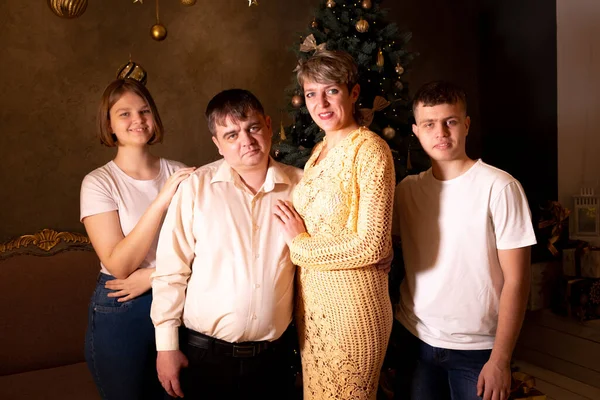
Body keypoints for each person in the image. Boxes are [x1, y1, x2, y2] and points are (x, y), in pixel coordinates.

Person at [151, 89, 303, 400]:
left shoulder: (301, 187)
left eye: (253, 127)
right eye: (231, 134)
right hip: (206, 356)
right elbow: (171, 270)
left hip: (275, 359)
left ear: (269, 125)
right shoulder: (196, 189)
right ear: (217, 144)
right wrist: (166, 347)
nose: (246, 140)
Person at [392, 81, 537, 400]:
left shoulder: (499, 188)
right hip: (415, 342)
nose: (441, 133)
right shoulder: (406, 191)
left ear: (466, 124)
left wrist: (500, 360)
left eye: (451, 121)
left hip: (478, 350)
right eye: (430, 124)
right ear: (416, 131)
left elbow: (518, 281)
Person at [273, 50, 395, 400]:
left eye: (331, 91)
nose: (320, 102)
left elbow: (371, 244)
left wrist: (299, 245)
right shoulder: (317, 152)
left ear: (353, 93)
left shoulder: (370, 150)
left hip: (354, 311)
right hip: (313, 312)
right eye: (311, 93)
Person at [80, 78, 194, 400]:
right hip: (122, 306)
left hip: (178, 299)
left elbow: (206, 250)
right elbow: (120, 265)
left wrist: (154, 276)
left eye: (144, 111)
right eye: (124, 114)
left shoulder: (181, 172)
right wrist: (161, 200)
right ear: (109, 124)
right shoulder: (98, 183)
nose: (137, 120)